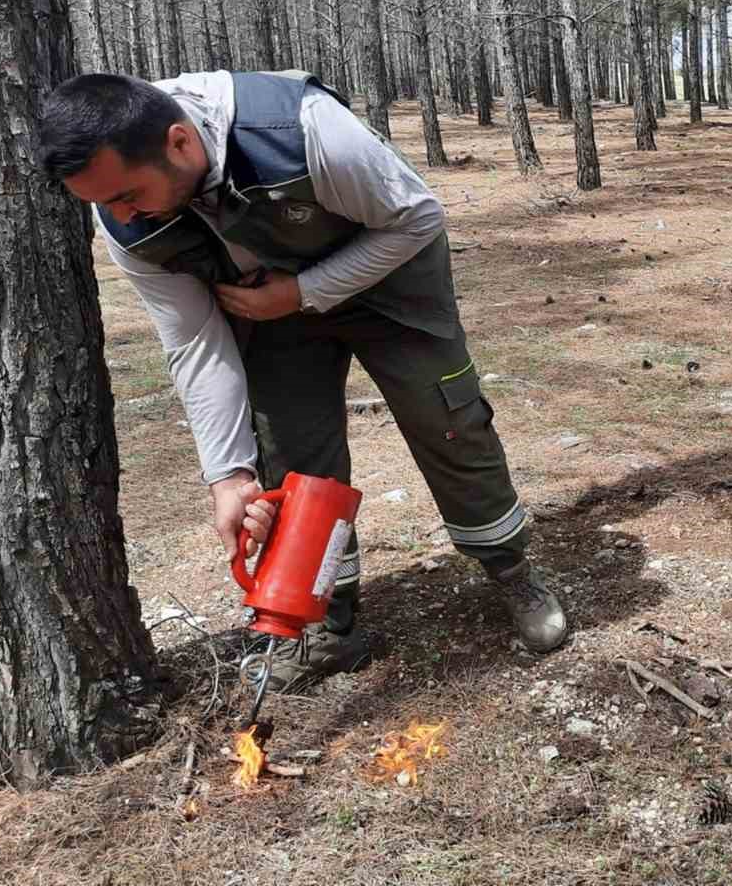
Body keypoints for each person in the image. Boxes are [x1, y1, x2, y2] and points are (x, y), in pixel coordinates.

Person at [38, 69, 567, 686]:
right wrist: (227, 474)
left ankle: (510, 572)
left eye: (128, 195)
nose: (121, 214)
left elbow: (417, 216)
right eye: (103, 204)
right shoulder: (125, 222)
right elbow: (192, 340)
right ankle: (330, 623)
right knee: (291, 462)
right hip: (269, 308)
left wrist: (305, 290)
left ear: (180, 142)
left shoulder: (303, 129)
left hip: (387, 278)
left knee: (447, 419)